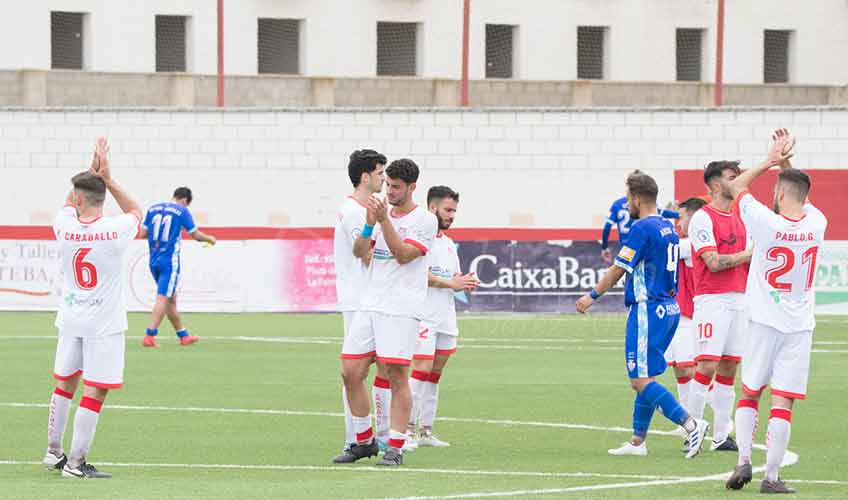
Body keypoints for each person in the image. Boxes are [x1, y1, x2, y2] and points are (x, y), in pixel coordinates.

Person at [577, 172, 709, 458]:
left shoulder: (641, 228)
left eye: (627, 199)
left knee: (639, 379)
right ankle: (638, 442)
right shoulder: (667, 225)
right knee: (645, 374)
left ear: (637, 199)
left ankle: (691, 423)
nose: (626, 205)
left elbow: (617, 269)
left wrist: (591, 296)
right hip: (669, 308)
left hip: (648, 309)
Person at [725, 130, 823, 494]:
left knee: (750, 392)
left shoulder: (767, 221)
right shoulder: (818, 223)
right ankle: (771, 478)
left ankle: (744, 461)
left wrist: (769, 161)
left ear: (779, 194)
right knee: (783, 401)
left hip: (764, 321)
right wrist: (787, 165)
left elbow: (736, 187)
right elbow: (801, 192)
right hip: (799, 327)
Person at [42, 138, 142, 478]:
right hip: (104, 323)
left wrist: (90, 171)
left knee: (65, 383)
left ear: (78, 199)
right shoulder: (115, 230)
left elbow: (68, 203)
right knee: (96, 388)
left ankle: (53, 451)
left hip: (70, 317)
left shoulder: (65, 226)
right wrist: (108, 178)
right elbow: (136, 212)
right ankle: (75, 463)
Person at [339, 159, 437, 467]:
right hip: (370, 303)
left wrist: (384, 222)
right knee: (350, 371)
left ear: (411, 188)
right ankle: (364, 440)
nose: (390, 191)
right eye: (389, 185)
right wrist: (370, 222)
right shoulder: (381, 214)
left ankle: (394, 446)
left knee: (396, 375)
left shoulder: (424, 220)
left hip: (400, 308)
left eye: (396, 187)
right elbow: (359, 252)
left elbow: (404, 255)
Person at [687, 159, 755, 452]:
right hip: (712, 300)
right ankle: (691, 427)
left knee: (729, 368)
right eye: (732, 177)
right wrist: (748, 254)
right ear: (715, 185)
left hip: (739, 299)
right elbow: (713, 263)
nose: (738, 181)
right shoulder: (703, 218)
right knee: (707, 364)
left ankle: (719, 435)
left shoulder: (742, 217)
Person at [407, 186, 478, 448]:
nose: (452, 216)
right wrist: (452, 285)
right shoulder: (419, 239)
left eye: (454, 211)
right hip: (424, 315)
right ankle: (405, 430)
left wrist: (466, 281)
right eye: (448, 210)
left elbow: (453, 279)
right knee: (421, 370)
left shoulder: (448, 244)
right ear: (433, 208)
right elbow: (417, 277)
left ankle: (426, 430)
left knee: (435, 373)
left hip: (446, 315)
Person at [332, 149, 387, 463]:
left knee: (380, 368)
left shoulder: (369, 209)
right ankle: (354, 438)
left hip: (373, 299)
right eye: (380, 173)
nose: (383, 179)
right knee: (354, 370)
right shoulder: (354, 211)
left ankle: (379, 436)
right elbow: (364, 252)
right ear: (365, 176)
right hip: (360, 299)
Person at [139, 187, 216, 347]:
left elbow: (142, 234)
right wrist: (210, 239)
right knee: (163, 298)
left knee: (170, 299)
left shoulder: (153, 209)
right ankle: (149, 336)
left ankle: (183, 335)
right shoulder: (181, 211)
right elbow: (195, 235)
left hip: (153, 260)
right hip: (169, 263)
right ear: (185, 201)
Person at [663, 197, 707, 440]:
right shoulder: (679, 241)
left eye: (679, 217)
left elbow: (665, 247)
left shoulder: (691, 244)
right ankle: (685, 419)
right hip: (674, 313)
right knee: (680, 370)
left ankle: (717, 419)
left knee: (690, 368)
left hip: (689, 313)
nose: (676, 223)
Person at [600, 170, 679, 264]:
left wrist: (604, 247)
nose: (628, 206)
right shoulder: (650, 208)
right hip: (641, 250)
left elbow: (607, 227)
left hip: (627, 249)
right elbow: (661, 212)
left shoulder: (618, 204)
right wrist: (678, 215)